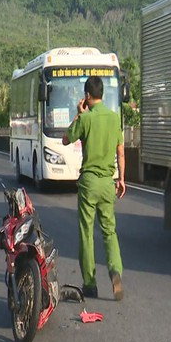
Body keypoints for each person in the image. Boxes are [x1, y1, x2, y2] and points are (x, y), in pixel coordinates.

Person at [62, 76, 125, 301]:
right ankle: (115, 271)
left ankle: (89, 283)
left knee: (86, 233)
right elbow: (120, 152)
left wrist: (78, 113)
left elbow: (65, 139)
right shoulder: (114, 118)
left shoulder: (86, 118)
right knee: (109, 231)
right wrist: (122, 179)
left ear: (87, 96)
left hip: (89, 183)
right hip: (108, 182)